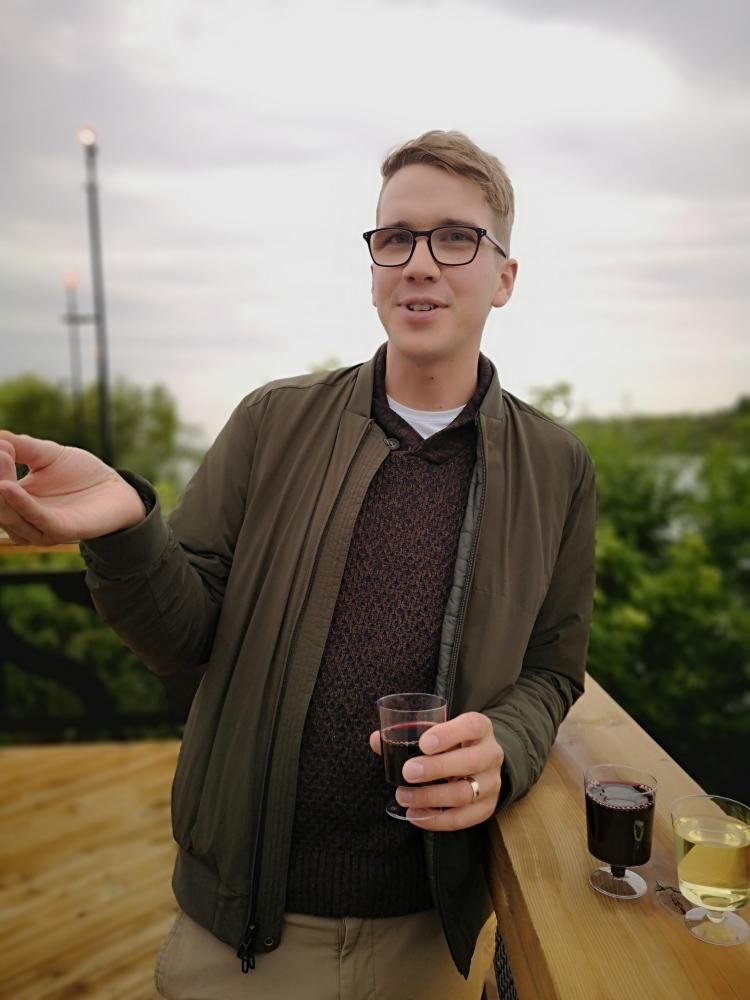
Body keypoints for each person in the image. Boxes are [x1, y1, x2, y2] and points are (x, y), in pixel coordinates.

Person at [0, 130, 596, 1000]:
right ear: (373, 269)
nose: (420, 263)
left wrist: (504, 746)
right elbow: (180, 635)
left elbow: (552, 668)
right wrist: (128, 527)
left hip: (431, 934)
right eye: (395, 237)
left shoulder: (558, 466)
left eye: (456, 237)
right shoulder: (272, 422)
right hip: (238, 933)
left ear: (503, 278)